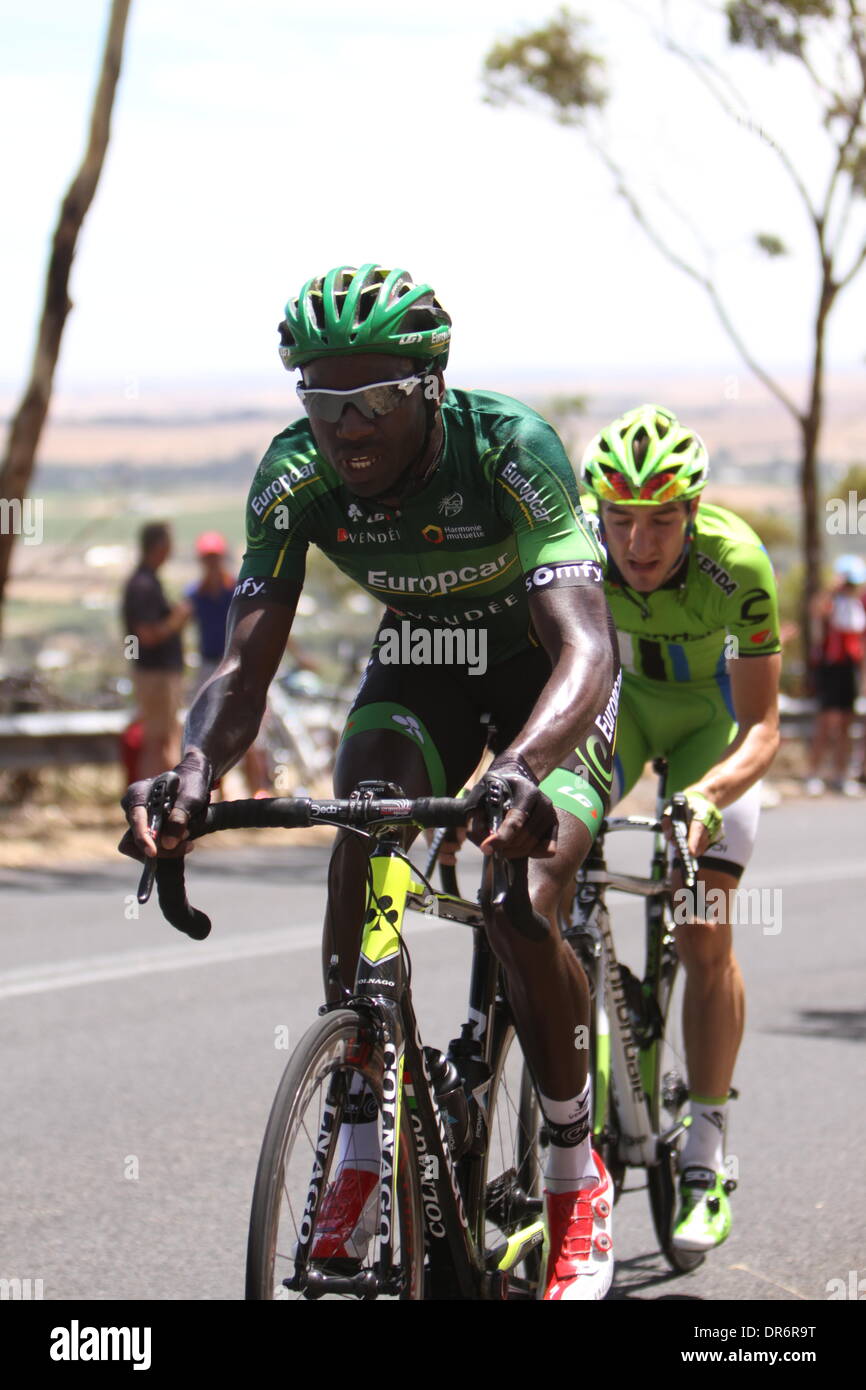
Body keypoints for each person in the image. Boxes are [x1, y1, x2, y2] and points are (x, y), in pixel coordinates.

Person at [123, 263, 621, 1300]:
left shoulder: (507, 448)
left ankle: (576, 1165)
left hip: (547, 683)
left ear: (430, 387)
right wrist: (193, 767)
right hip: (424, 669)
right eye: (321, 397)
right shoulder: (292, 475)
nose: (346, 427)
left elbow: (585, 644)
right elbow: (241, 667)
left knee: (519, 897)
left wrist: (523, 767)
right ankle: (359, 1118)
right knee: (361, 819)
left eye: (375, 399)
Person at [580, 404, 781, 1254]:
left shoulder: (736, 565)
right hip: (621, 716)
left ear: (692, 514)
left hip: (713, 730)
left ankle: (705, 1146)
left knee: (704, 934)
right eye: (621, 519)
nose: (640, 542)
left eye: (662, 519)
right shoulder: (580, 558)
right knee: (550, 871)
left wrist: (708, 796)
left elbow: (764, 727)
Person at [186, 531, 271, 797]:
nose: (211, 563)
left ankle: (258, 787)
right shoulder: (194, 595)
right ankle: (210, 794)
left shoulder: (237, 590)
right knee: (207, 732)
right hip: (209, 665)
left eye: (214, 557)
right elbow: (177, 623)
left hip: (240, 665)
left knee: (248, 728)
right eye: (206, 558)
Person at [120, 522, 191, 779]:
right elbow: (147, 635)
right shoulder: (143, 585)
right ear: (159, 546)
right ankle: (151, 803)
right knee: (157, 741)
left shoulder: (147, 580)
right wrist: (178, 619)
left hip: (156, 672)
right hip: (155, 674)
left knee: (165, 737)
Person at [805, 553, 866, 797]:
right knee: (826, 723)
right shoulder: (830, 603)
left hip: (850, 668)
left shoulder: (859, 605)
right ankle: (814, 773)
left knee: (846, 724)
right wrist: (832, 588)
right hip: (830, 668)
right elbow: (815, 612)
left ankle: (842, 774)